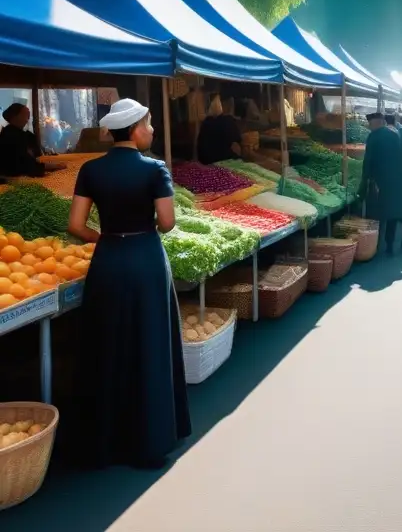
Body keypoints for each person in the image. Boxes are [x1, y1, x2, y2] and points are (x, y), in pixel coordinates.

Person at [67, 99, 189, 468]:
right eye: (150, 124)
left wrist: (102, 237)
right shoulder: (155, 169)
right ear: (136, 128)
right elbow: (166, 223)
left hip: (108, 260)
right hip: (146, 258)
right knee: (149, 343)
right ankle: (149, 443)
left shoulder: (90, 169)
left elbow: (75, 226)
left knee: (107, 342)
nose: (152, 130)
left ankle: (102, 443)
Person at [361, 112, 402, 255]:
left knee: (389, 213)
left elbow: (368, 162)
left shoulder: (373, 136)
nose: (369, 126)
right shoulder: (394, 134)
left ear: (376, 123)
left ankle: (389, 246)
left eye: (370, 124)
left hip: (386, 180)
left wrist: (364, 184)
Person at [0, 103, 64, 177]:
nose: (27, 120)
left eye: (28, 116)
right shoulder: (12, 136)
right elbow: (25, 164)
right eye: (25, 115)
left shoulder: (11, 132)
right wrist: (54, 166)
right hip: (12, 176)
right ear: (15, 116)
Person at [196, 95, 242, 165]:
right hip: (224, 162)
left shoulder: (205, 122)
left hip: (205, 163)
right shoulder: (228, 121)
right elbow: (238, 141)